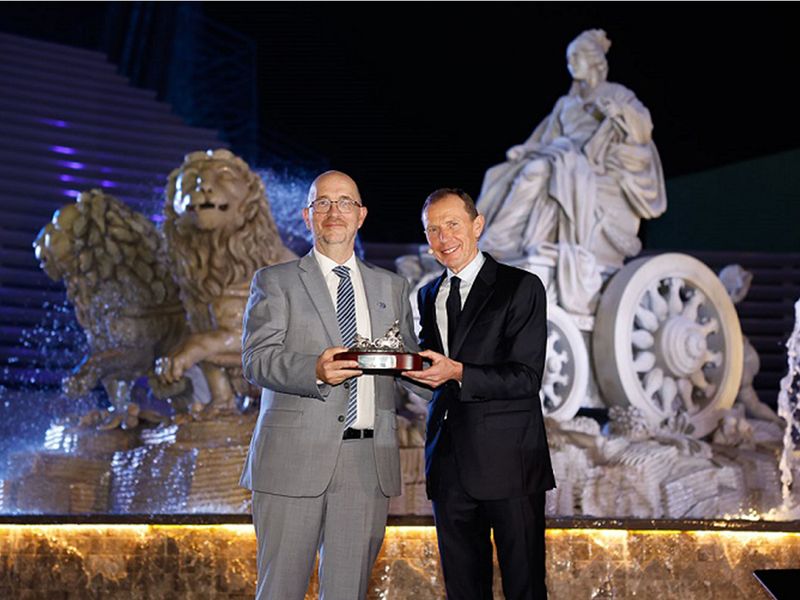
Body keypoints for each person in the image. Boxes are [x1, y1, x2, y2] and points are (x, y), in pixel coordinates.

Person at [240, 170, 420, 600]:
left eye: (344, 202)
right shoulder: (274, 280)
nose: (333, 211)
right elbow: (256, 360)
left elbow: (406, 362)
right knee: (280, 590)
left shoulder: (391, 286)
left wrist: (447, 376)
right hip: (291, 462)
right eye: (322, 202)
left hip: (366, 464)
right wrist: (313, 370)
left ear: (361, 215)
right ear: (307, 216)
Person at [405, 188, 555, 599]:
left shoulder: (521, 287)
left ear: (477, 225)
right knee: (463, 591)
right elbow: (433, 372)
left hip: (511, 467)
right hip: (448, 468)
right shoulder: (427, 294)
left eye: (452, 224)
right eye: (432, 229)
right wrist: (395, 364)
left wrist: (458, 372)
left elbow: (526, 377)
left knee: (524, 588)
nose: (443, 238)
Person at [476, 29, 666, 314]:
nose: (571, 63)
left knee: (538, 171)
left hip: (593, 166)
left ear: (594, 60)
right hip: (561, 155)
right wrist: (525, 149)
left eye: (576, 56)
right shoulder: (565, 103)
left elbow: (643, 129)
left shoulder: (617, 94)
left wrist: (617, 112)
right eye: (569, 58)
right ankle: (486, 236)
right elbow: (544, 137)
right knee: (498, 174)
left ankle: (498, 240)